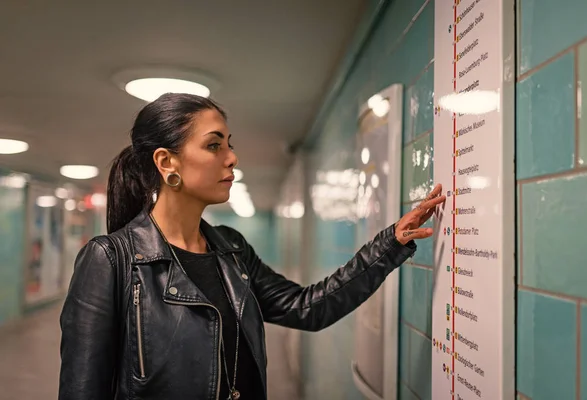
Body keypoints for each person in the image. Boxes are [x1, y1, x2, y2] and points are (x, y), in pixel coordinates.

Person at [58, 93, 445, 400]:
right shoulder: (112, 259)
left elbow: (307, 308)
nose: (232, 157)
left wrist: (390, 243)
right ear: (167, 162)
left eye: (228, 143)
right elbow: (82, 389)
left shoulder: (231, 250)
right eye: (214, 146)